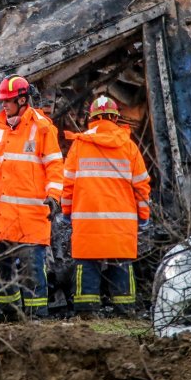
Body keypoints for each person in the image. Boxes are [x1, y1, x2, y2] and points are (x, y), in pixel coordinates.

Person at [0, 75, 63, 320]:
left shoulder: (41, 127)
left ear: (22, 99)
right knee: (0, 271)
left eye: (8, 101)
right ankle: (8, 313)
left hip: (29, 218)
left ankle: (37, 315)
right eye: (2, 101)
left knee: (32, 272)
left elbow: (55, 167)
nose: (4, 106)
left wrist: (54, 196)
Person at [61, 95, 151, 317]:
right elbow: (141, 186)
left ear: (91, 119)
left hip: (87, 223)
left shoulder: (79, 146)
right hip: (121, 224)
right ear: (116, 118)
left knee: (87, 264)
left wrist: (66, 212)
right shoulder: (129, 147)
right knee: (120, 264)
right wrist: (144, 215)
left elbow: (68, 185)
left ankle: (87, 311)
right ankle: (125, 310)